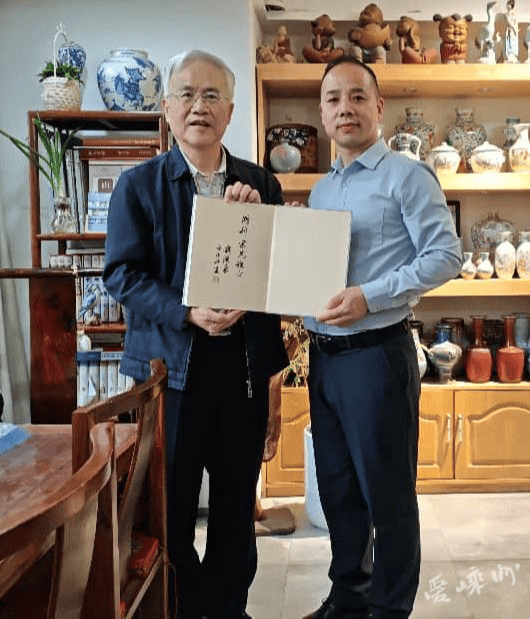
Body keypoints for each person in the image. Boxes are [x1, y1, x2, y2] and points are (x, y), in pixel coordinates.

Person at [103, 50, 288, 619]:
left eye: (211, 96)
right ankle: (184, 608)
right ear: (166, 108)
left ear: (229, 111)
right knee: (172, 509)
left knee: (235, 511)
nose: (198, 107)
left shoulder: (261, 183)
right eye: (186, 94)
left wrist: (256, 229)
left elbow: (275, 277)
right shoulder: (138, 186)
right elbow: (121, 274)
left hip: (242, 373)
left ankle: (228, 609)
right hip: (171, 376)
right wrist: (187, 312)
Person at [302, 56, 462, 619]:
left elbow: (446, 256)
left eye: (356, 97)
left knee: (387, 496)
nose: (344, 108)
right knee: (338, 490)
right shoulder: (321, 190)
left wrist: (369, 296)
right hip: (324, 358)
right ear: (322, 112)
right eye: (333, 99)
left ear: (379, 106)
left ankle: (390, 609)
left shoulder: (407, 176)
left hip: (376, 356)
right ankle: (348, 598)